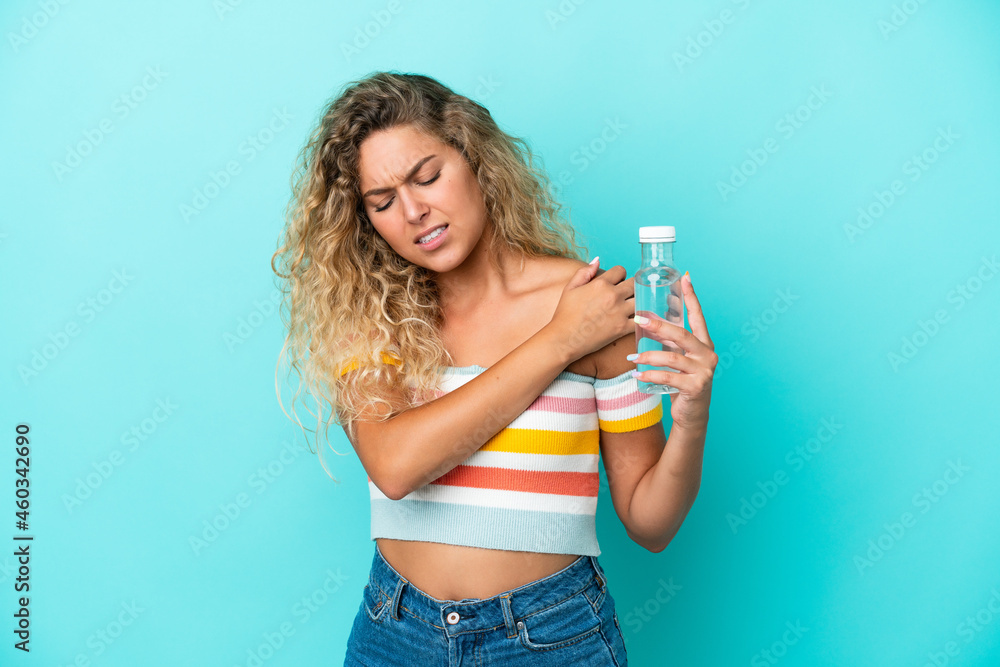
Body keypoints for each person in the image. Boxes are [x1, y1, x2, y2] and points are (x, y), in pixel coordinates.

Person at [271, 71, 718, 666]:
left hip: (552, 637)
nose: (414, 210)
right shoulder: (372, 316)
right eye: (382, 201)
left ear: (475, 160)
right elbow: (396, 466)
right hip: (396, 635)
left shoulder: (595, 307)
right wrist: (559, 341)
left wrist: (692, 416)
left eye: (427, 177)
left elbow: (650, 523)